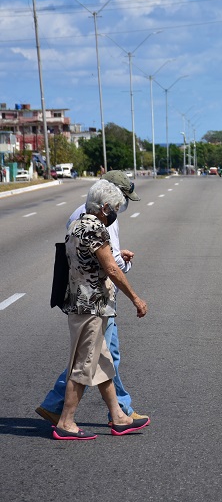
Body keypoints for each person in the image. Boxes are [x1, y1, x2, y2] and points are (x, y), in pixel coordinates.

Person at [36, 171, 147, 428]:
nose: (117, 212)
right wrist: (136, 299)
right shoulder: (96, 228)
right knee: (84, 365)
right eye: (116, 207)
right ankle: (65, 420)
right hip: (92, 305)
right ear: (105, 206)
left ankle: (119, 415)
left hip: (79, 300)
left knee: (104, 361)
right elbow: (112, 269)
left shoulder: (77, 223)